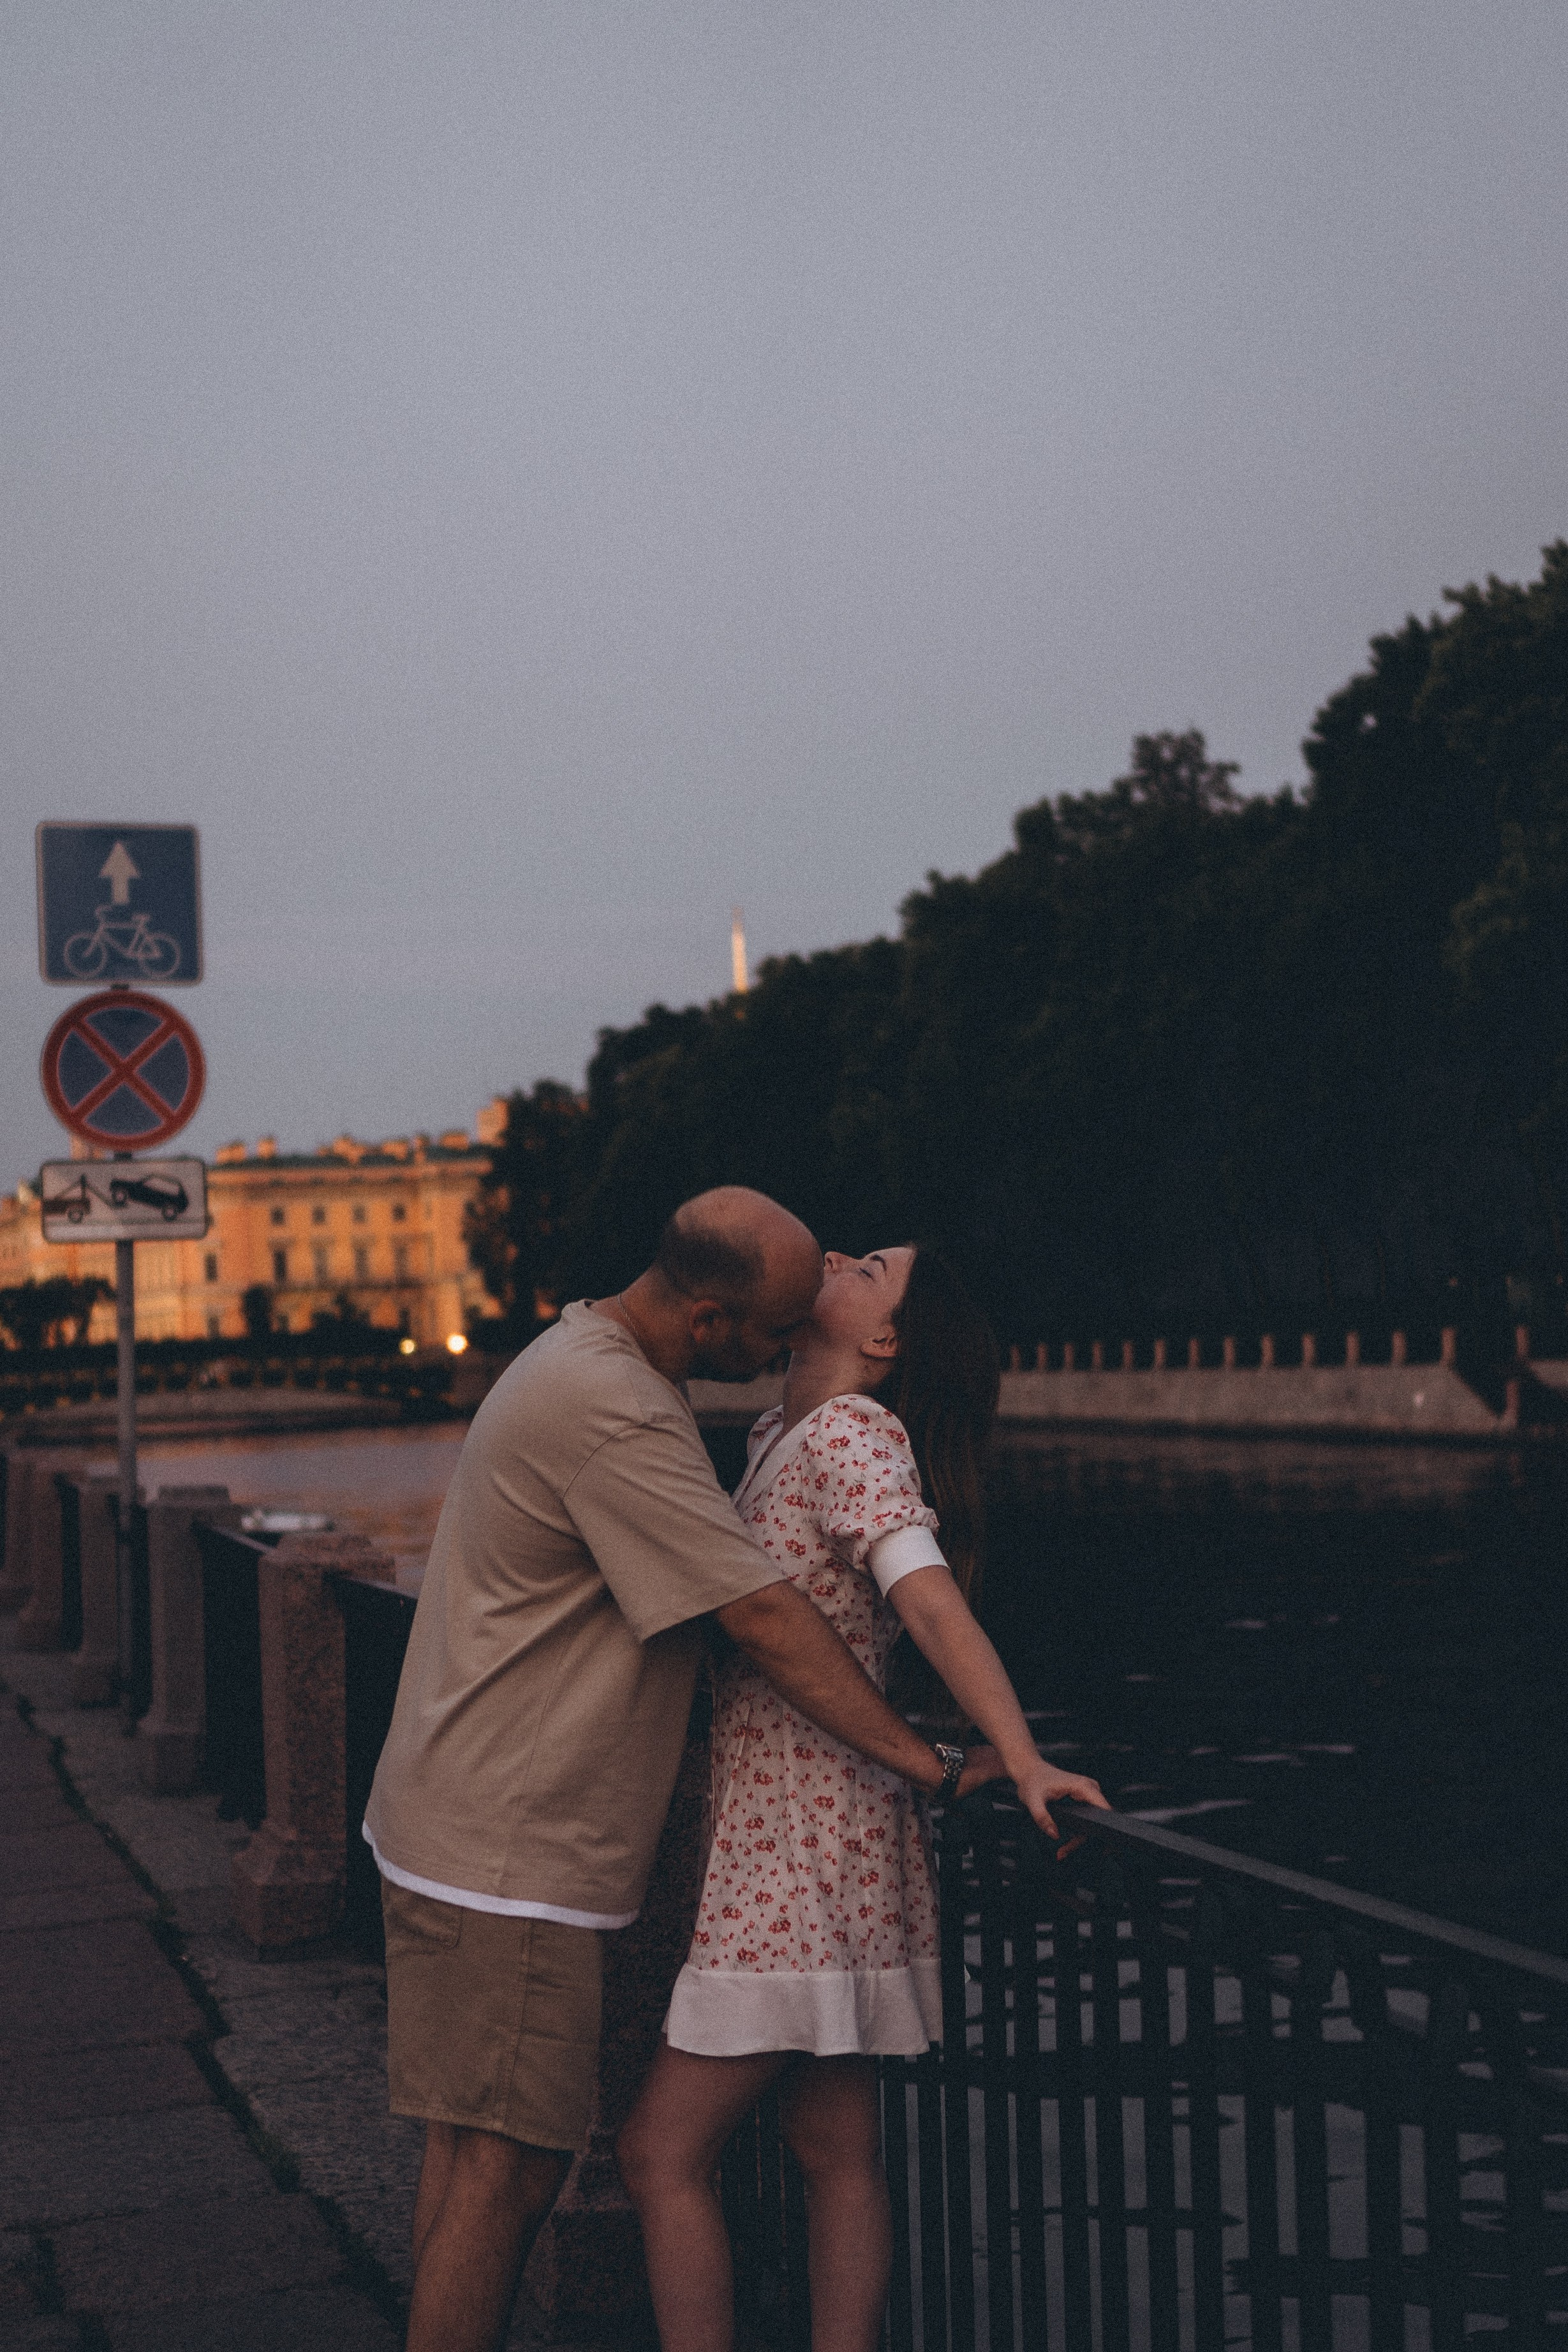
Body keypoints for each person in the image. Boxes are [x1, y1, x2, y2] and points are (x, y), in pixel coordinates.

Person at [363, 1192, 1009, 2352]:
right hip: (516, 1846)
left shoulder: (600, 1360)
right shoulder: (633, 1411)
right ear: (711, 1323)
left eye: (859, 1274)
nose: (791, 1325)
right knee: (509, 2172)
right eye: (768, 1324)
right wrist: (936, 1760)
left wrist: (987, 1753)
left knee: (485, 2156)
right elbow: (761, 1614)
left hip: (538, 1828)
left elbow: (883, 1585)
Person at [617, 1244, 1109, 2352]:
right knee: (834, 2152)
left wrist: (1017, 1753)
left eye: (870, 1267)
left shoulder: (848, 1434)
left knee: (658, 2153)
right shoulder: (772, 1437)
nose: (836, 1254)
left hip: (798, 1849)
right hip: (814, 1832)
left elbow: (926, 1603)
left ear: (881, 1340)